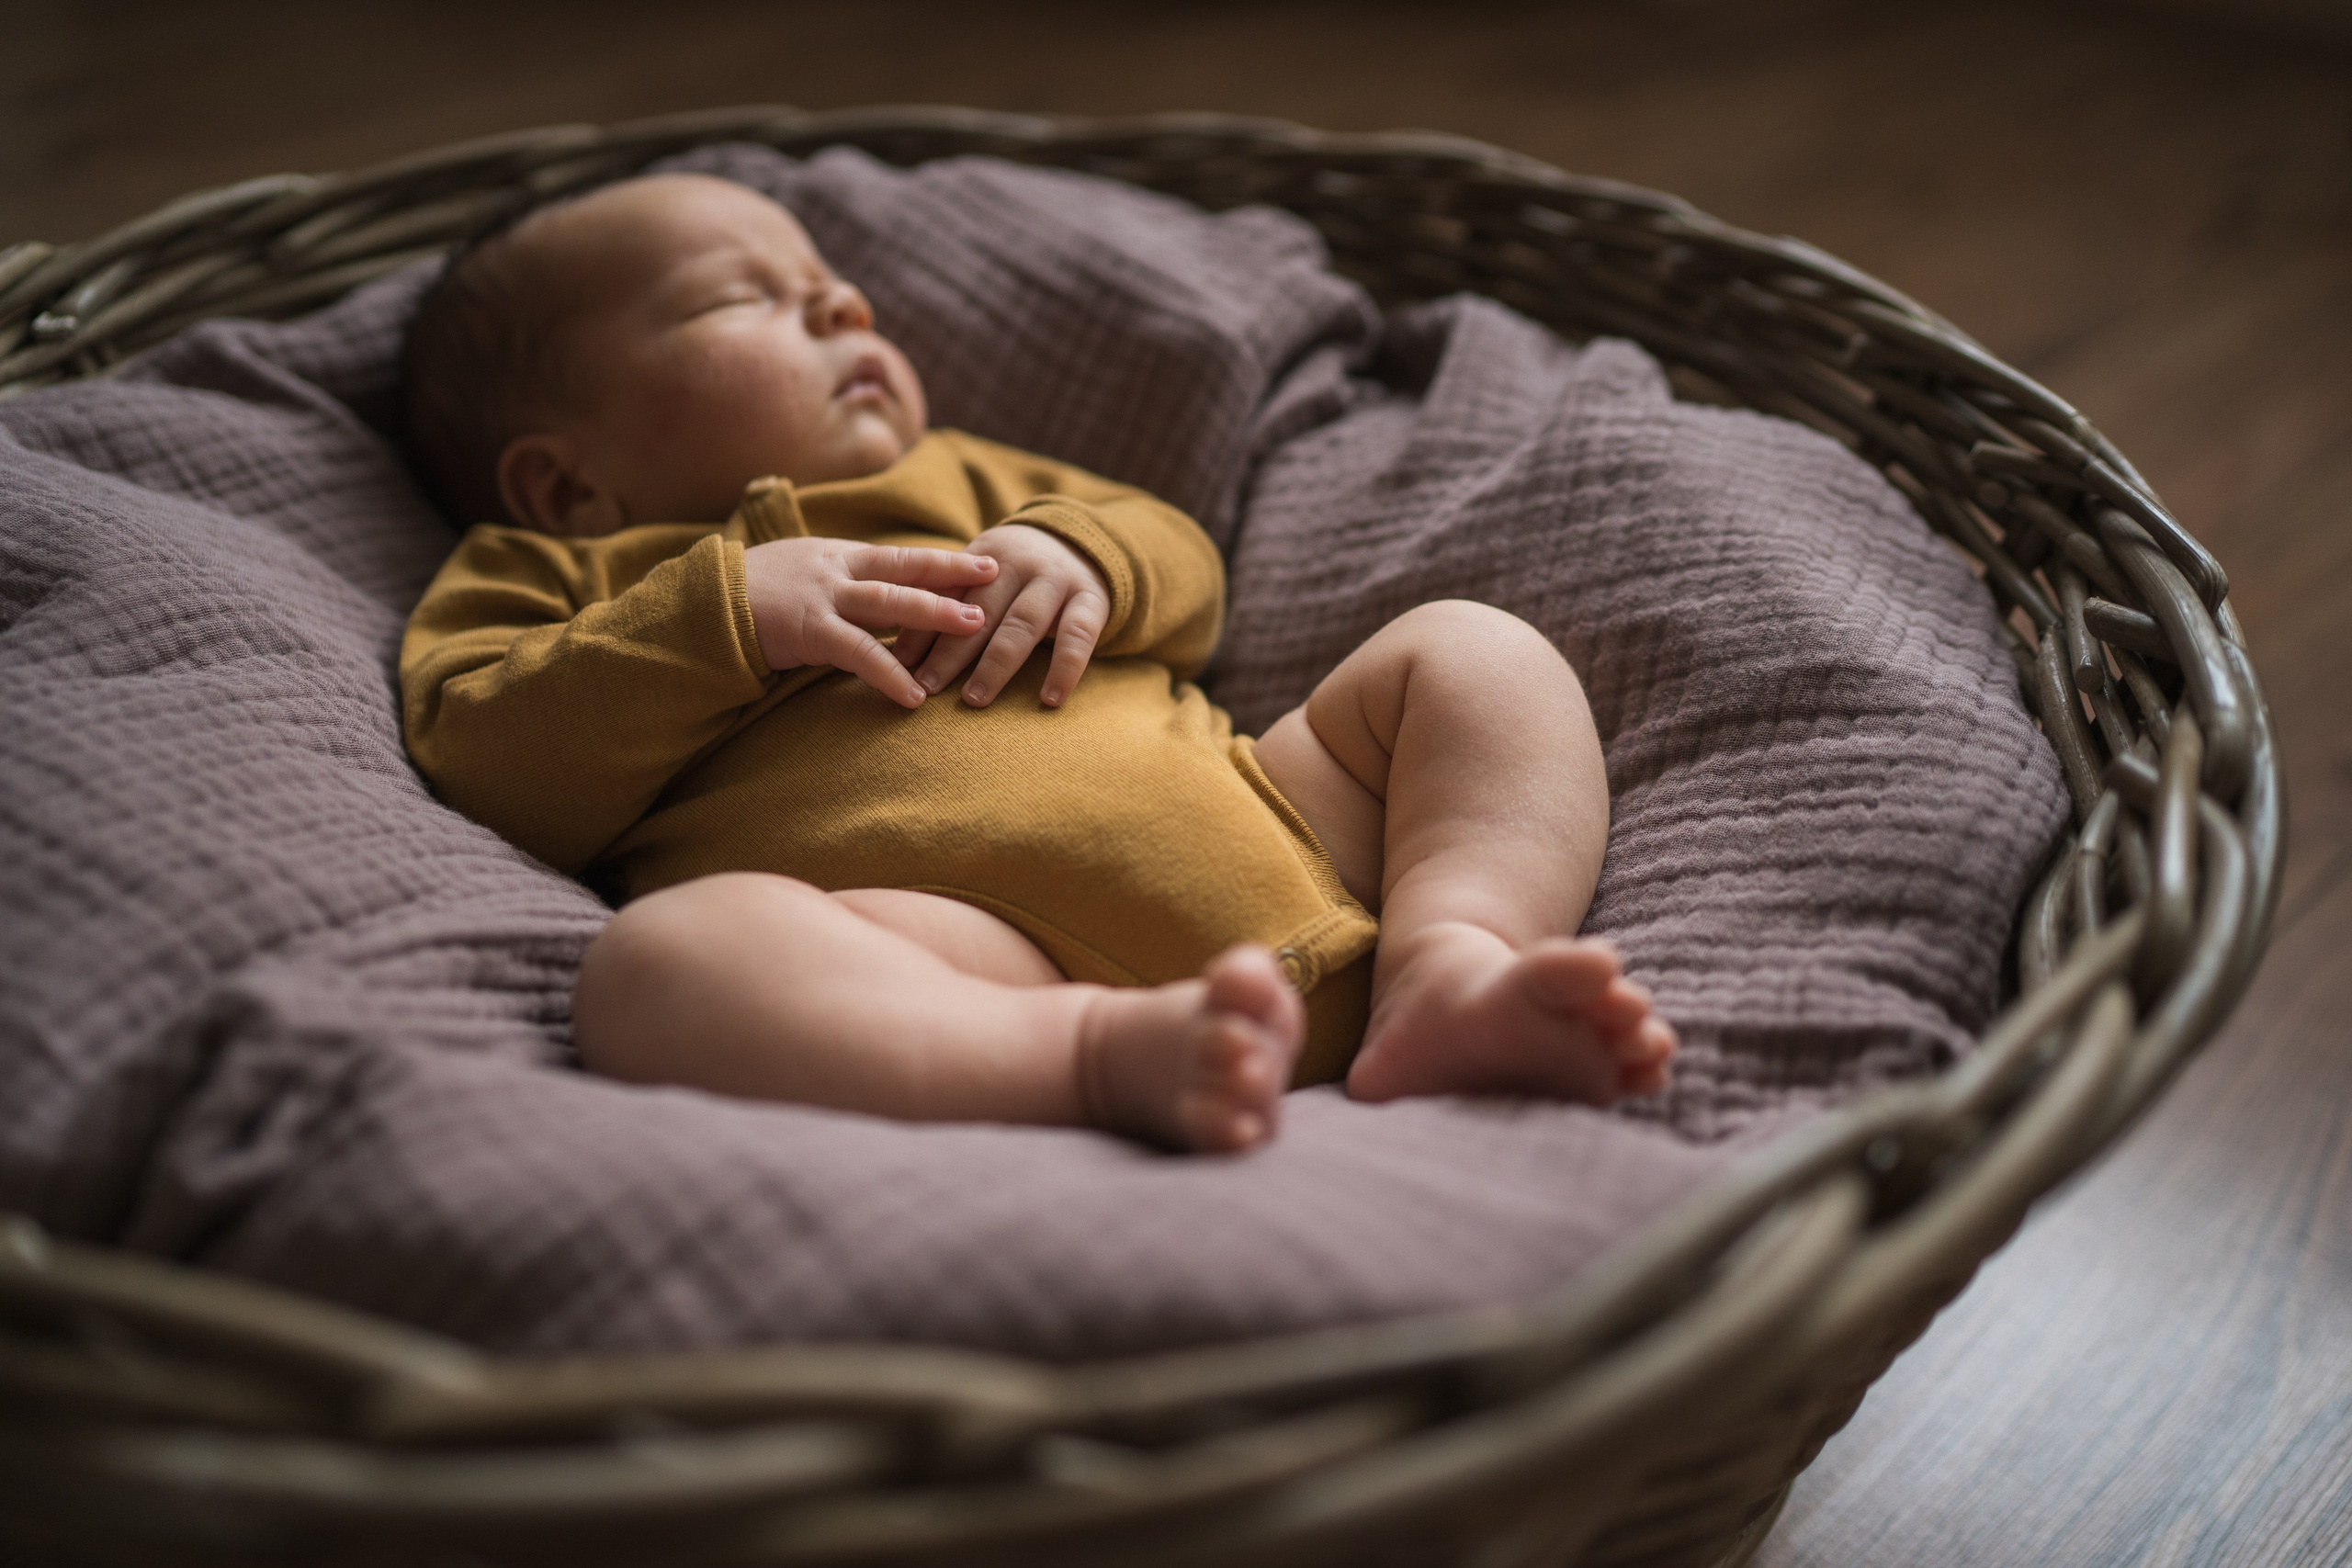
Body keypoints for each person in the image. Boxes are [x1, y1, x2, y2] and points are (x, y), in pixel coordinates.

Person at [399, 172, 1674, 1155]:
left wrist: (1080, 554)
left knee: (1469, 652)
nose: (842, 308)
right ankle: (1091, 1060)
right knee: (660, 966)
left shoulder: (962, 477)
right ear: (565, 485)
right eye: (742, 299)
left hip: (1279, 819)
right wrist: (722, 612)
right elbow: (489, 759)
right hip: (972, 953)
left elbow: (1187, 574)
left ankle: (1452, 961)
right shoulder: (544, 577)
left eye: (833, 284)